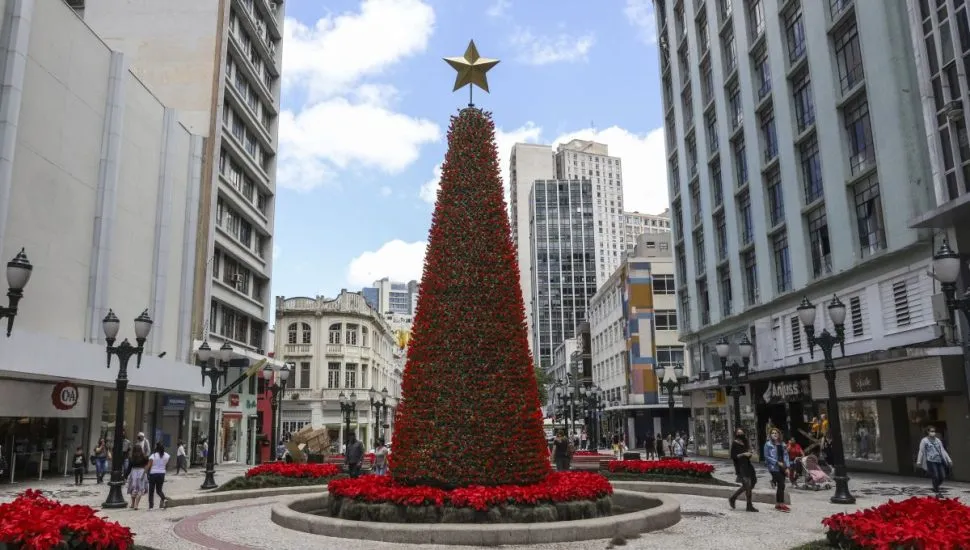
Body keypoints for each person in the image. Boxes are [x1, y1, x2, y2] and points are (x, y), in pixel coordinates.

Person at [916, 425, 953, 495]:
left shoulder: (938, 440)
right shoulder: (924, 440)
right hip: (931, 461)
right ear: (928, 432)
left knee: (942, 476)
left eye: (934, 431)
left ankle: (936, 485)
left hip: (939, 460)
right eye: (932, 431)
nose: (933, 433)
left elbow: (943, 450)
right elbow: (921, 451)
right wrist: (919, 461)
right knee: (935, 475)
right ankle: (936, 488)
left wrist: (949, 460)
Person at [728, 428, 757, 512]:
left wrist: (749, 453)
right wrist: (743, 454)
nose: (740, 434)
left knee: (752, 482)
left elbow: (749, 454)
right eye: (738, 433)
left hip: (748, 464)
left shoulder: (745, 442)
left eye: (742, 433)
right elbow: (733, 456)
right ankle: (749, 505)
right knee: (747, 485)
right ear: (736, 434)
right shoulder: (734, 443)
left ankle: (733, 497)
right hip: (741, 466)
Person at [763, 428, 791, 512]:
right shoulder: (767, 444)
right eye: (773, 433)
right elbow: (767, 456)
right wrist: (777, 462)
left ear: (779, 434)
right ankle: (781, 504)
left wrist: (787, 467)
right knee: (781, 483)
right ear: (770, 435)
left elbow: (786, 456)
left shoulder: (782, 444)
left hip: (783, 466)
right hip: (773, 467)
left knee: (781, 485)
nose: (774, 434)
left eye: (776, 433)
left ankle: (778, 504)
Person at [146, 443, 170, 510]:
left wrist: (144, 472)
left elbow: (149, 465)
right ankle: (164, 499)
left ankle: (151, 506)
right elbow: (167, 465)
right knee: (159, 490)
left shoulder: (153, 455)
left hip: (153, 473)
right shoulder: (167, 455)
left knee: (151, 490)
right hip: (162, 474)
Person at [127, 441, 149, 510]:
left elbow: (129, 468)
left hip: (133, 473)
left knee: (133, 488)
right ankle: (136, 505)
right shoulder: (144, 457)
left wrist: (125, 476)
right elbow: (147, 465)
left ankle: (132, 504)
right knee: (140, 489)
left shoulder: (131, 458)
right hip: (141, 472)